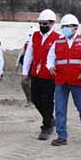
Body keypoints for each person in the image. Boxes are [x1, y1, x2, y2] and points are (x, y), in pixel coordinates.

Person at [45, 14, 81, 146]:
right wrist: (50, 66)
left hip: (78, 80)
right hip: (61, 80)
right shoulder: (58, 42)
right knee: (60, 109)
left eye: (67, 26)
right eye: (63, 27)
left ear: (75, 28)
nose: (65, 29)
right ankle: (61, 136)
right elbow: (50, 57)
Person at [21, 9, 59, 141]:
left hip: (49, 75)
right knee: (35, 99)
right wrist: (25, 72)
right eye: (41, 23)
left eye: (45, 23)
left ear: (52, 23)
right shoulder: (35, 36)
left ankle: (47, 126)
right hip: (36, 73)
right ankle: (50, 119)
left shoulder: (57, 38)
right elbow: (29, 55)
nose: (42, 26)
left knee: (48, 101)